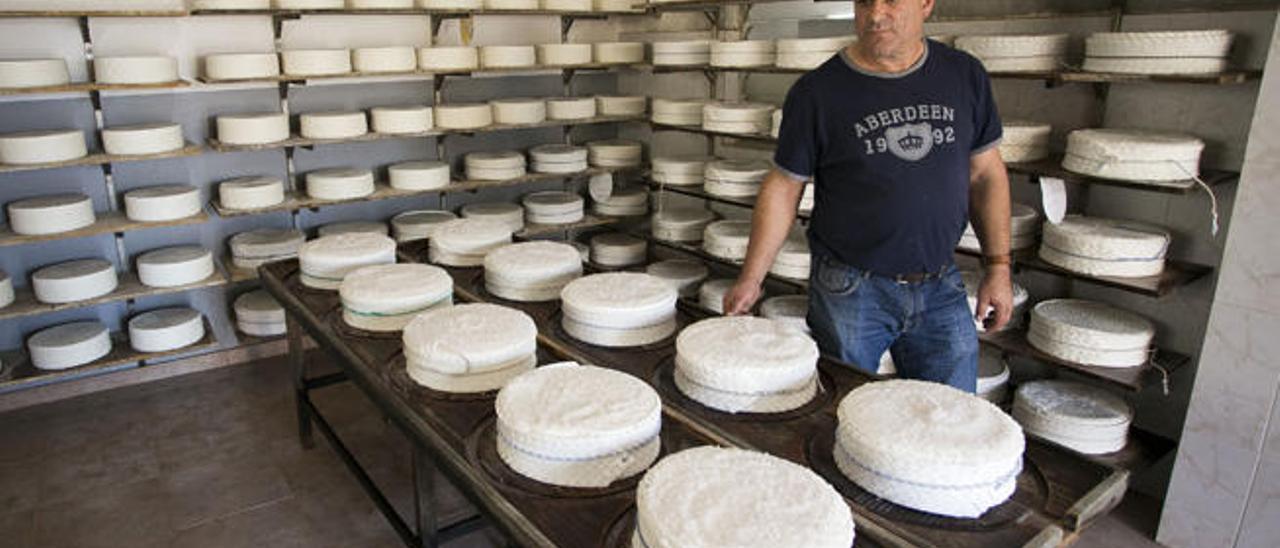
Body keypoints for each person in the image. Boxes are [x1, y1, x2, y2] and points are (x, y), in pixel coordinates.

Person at [721, 0, 1014, 392]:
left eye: (891, 0)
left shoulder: (963, 76)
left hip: (940, 283)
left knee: (950, 417)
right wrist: (751, 278)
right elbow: (784, 187)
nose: (875, 14)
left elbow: (986, 176)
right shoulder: (818, 93)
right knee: (846, 412)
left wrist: (999, 267)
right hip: (853, 288)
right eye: (863, 1)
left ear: (926, 3)